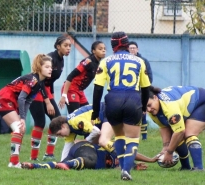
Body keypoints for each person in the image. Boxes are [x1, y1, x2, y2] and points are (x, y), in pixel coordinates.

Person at [91, 31, 151, 180]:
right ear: (127, 43)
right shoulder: (139, 61)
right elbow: (145, 88)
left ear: (112, 46)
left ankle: (123, 169)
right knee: (132, 138)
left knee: (119, 137)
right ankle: (126, 170)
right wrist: (143, 107)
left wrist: (95, 112)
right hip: (133, 98)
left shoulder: (106, 61)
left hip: (113, 99)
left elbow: (98, 88)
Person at [0, 54, 52, 168]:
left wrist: (22, 117)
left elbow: (28, 101)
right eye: (47, 67)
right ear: (39, 67)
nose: (50, 69)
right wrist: (22, 118)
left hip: (9, 99)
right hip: (4, 98)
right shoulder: (32, 79)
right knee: (19, 128)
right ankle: (14, 163)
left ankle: (14, 161)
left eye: (51, 67)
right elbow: (21, 98)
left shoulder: (39, 83)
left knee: (20, 129)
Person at [29, 36, 71, 161]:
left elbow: (50, 82)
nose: (68, 48)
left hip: (46, 91)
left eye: (70, 46)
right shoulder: (50, 58)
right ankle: (34, 157)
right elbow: (40, 80)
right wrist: (48, 102)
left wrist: (51, 97)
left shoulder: (61, 60)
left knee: (57, 121)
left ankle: (49, 154)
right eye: (65, 45)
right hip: (36, 91)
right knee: (40, 123)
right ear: (58, 46)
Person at [147, 85, 205, 171]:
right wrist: (166, 147)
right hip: (190, 105)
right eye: (145, 108)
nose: (148, 109)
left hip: (201, 101)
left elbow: (180, 131)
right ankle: (185, 168)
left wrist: (169, 152)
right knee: (174, 137)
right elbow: (164, 127)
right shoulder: (153, 109)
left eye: (149, 105)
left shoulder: (170, 106)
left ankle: (199, 168)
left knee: (188, 133)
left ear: (155, 97)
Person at [21, 140, 158, 171]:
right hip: (85, 148)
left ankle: (34, 166)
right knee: (90, 161)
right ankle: (67, 163)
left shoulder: (123, 165)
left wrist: (133, 167)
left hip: (78, 154)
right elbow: (132, 153)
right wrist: (151, 160)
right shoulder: (117, 149)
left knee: (61, 165)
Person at [58, 41, 106, 114]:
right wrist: (64, 95)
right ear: (94, 51)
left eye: (104, 49)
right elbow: (70, 76)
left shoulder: (99, 64)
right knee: (75, 117)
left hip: (80, 91)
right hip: (71, 89)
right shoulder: (88, 62)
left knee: (88, 114)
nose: (103, 50)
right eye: (100, 49)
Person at [128, 41, 153, 140]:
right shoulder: (126, 61)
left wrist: (145, 88)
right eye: (130, 48)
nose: (132, 50)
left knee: (143, 113)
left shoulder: (143, 61)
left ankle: (144, 137)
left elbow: (149, 76)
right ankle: (131, 134)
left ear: (137, 49)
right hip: (129, 91)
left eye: (134, 48)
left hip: (141, 91)